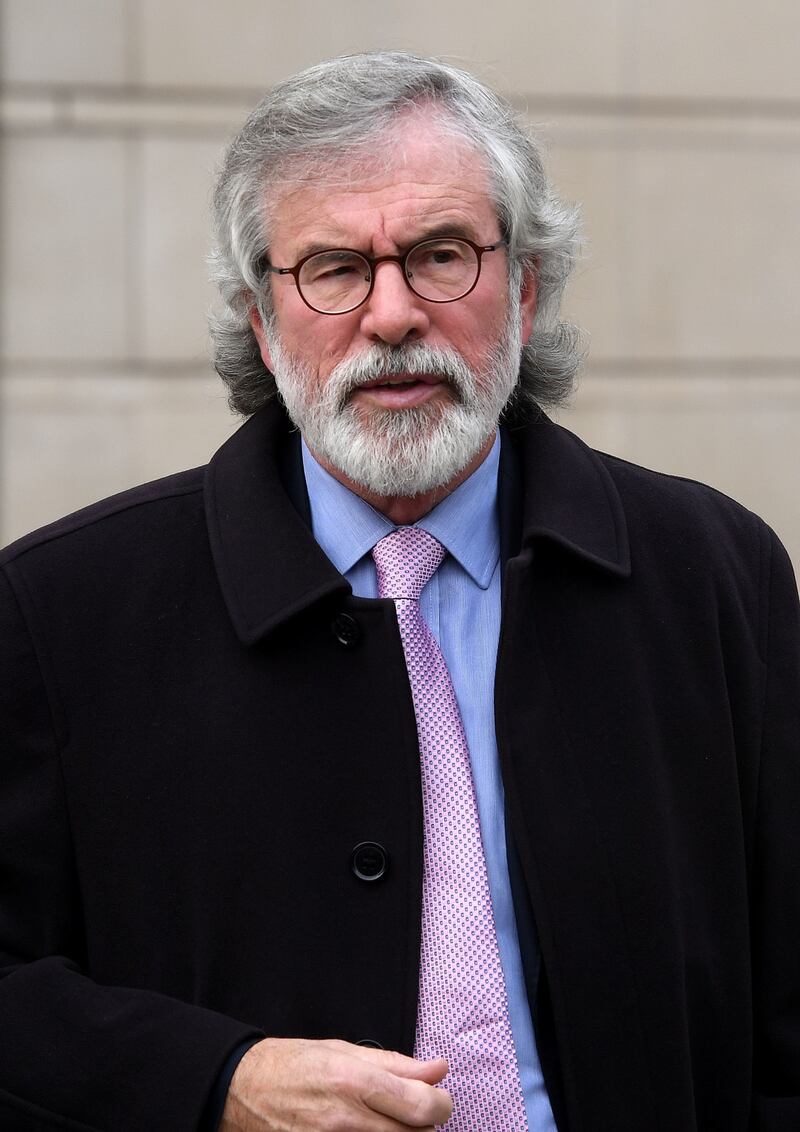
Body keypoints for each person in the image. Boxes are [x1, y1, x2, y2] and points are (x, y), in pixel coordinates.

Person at [0, 50, 797, 1132]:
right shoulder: (60, 612)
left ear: (521, 285)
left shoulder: (715, 575)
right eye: (332, 267)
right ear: (260, 318)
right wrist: (211, 1079)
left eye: (439, 255)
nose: (390, 315)